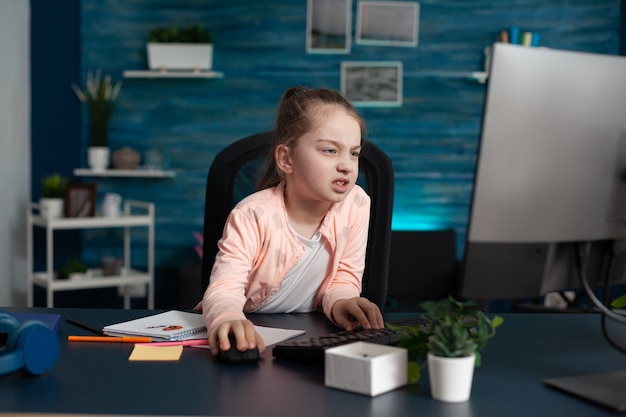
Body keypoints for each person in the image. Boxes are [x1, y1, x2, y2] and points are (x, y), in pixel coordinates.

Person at [201, 86, 385, 357]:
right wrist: (227, 318)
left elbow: (344, 276)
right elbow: (224, 288)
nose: (346, 165)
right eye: (330, 151)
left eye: (354, 153)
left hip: (312, 341)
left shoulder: (356, 204)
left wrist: (343, 300)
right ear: (286, 159)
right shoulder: (252, 215)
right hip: (251, 339)